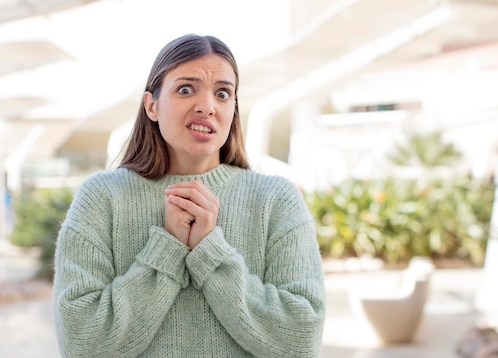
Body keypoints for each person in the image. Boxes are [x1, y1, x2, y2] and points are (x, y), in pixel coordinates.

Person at [53, 34, 326, 357]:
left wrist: (210, 252)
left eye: (223, 93)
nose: (207, 107)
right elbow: (81, 343)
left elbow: (301, 339)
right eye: (185, 89)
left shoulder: (276, 199)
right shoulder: (102, 198)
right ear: (152, 105)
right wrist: (168, 248)